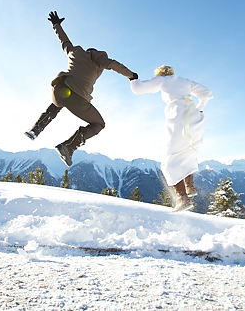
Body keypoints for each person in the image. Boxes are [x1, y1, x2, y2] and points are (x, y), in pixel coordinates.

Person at [25, 11, 138, 166]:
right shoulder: (100, 61)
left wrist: (56, 25)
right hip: (77, 98)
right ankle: (68, 147)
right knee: (99, 124)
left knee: (57, 104)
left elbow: (64, 41)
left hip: (59, 89)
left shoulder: (75, 52)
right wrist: (131, 75)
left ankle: (36, 128)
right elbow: (114, 65)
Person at [130, 65, 212, 212]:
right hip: (194, 117)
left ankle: (182, 198)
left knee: (169, 159)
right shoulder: (185, 81)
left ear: (160, 74)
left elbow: (138, 88)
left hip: (178, 119)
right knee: (188, 151)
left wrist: (132, 78)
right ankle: (190, 186)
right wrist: (199, 108)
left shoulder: (163, 80)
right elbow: (207, 93)